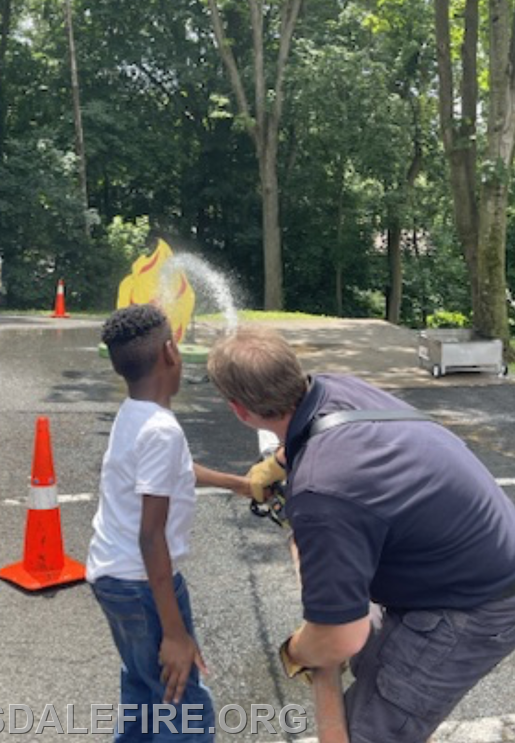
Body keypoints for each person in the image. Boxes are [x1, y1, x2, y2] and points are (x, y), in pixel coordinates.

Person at [206, 324, 515, 743]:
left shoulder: (321, 492)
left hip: (473, 605)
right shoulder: (336, 388)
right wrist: (277, 464)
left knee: (371, 731)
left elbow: (341, 637)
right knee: (372, 664)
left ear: (239, 410)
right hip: (464, 556)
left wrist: (296, 651)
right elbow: (313, 435)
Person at [86, 304, 247, 742]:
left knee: (144, 692)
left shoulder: (135, 413)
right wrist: (175, 634)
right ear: (172, 353)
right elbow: (150, 535)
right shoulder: (162, 429)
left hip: (111, 577)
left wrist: (240, 483)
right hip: (143, 585)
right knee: (184, 710)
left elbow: (175, 471)